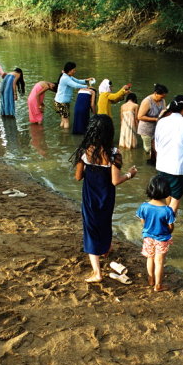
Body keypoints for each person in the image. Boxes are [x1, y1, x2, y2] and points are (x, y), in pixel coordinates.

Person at [72, 114, 138, 283]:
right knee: (105, 222)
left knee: (91, 229)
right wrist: (130, 174)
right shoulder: (114, 153)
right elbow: (115, 181)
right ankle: (105, 249)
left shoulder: (84, 152)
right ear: (109, 132)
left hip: (90, 198)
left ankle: (97, 273)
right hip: (107, 197)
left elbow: (78, 177)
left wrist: (89, 171)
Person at [153, 95, 183, 213]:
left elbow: (157, 145)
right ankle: (169, 224)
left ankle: (164, 218)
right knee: (175, 199)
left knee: (165, 193)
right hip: (178, 168)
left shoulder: (161, 121)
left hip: (162, 165)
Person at [136, 175, 176, 292]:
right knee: (159, 262)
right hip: (162, 238)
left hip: (148, 237)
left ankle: (151, 279)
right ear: (166, 191)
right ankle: (158, 285)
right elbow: (171, 226)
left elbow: (143, 221)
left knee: (150, 258)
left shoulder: (143, 206)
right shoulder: (167, 211)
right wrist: (169, 232)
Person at [54, 62, 93, 129]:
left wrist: (86, 80)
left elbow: (77, 81)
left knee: (63, 120)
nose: (75, 71)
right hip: (62, 103)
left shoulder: (68, 76)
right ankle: (65, 136)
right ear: (69, 70)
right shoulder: (65, 78)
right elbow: (75, 85)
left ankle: (62, 135)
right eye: (73, 70)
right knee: (66, 121)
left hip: (59, 101)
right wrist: (87, 86)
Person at [137, 83, 168, 164]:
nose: (162, 99)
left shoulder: (162, 100)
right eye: (161, 97)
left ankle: (154, 160)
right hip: (146, 129)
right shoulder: (147, 101)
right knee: (148, 149)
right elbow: (139, 116)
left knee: (156, 147)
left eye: (164, 97)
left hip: (157, 128)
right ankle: (148, 164)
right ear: (155, 93)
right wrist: (155, 119)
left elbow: (164, 110)